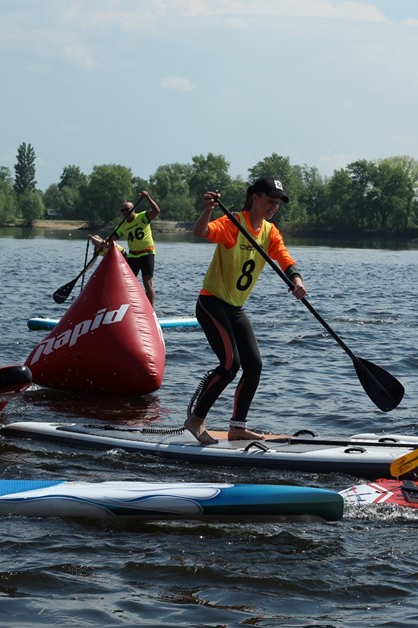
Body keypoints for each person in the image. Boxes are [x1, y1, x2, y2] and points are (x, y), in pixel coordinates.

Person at [184, 177, 306, 445]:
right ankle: (196, 419)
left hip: (235, 308)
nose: (274, 207)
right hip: (211, 303)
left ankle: (237, 427)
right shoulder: (232, 223)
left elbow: (284, 257)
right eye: (270, 201)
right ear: (255, 197)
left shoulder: (269, 232)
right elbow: (201, 232)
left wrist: (295, 279)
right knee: (230, 365)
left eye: (277, 203)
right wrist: (207, 209)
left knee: (254, 365)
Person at [106, 191, 161, 306]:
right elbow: (112, 239)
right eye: (123, 210)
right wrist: (102, 243)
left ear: (133, 209)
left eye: (128, 209)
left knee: (147, 281)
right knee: (125, 282)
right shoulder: (122, 225)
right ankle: (126, 306)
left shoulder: (142, 217)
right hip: (133, 256)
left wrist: (148, 198)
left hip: (147, 253)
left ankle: (151, 310)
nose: (125, 212)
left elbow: (156, 211)